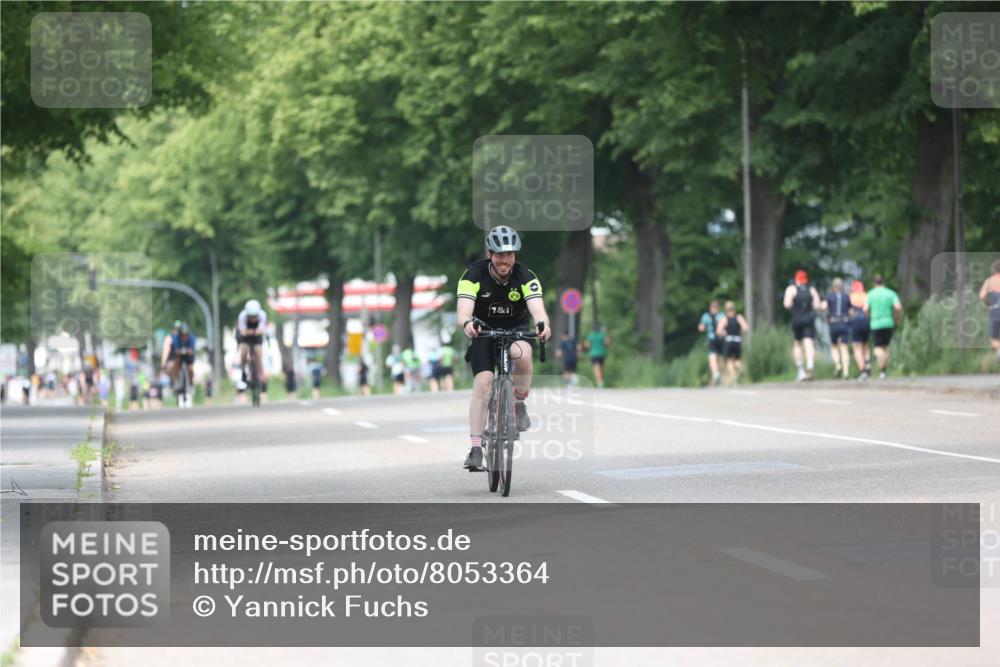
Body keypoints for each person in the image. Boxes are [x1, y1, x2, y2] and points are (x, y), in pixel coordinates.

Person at [457, 225, 551, 471]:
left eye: (509, 254)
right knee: (483, 383)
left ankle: (519, 402)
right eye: (499, 254)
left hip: (516, 329)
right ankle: (476, 448)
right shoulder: (473, 274)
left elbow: (538, 309)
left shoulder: (525, 276)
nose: (504, 260)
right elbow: (464, 310)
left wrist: (543, 325)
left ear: (515, 256)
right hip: (483, 330)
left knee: (522, 353)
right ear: (490, 254)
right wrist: (467, 323)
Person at [783, 270, 822, 382]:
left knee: (797, 344)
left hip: (797, 317)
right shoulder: (812, 289)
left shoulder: (792, 289)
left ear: (796, 279)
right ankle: (810, 364)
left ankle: (801, 370)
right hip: (809, 317)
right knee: (809, 343)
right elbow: (817, 305)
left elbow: (787, 304)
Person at [864, 274, 903, 380]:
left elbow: (865, 309)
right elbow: (898, 307)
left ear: (874, 283)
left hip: (876, 323)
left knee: (877, 348)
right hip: (888, 322)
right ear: (883, 282)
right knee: (886, 346)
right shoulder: (890, 293)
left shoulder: (871, 294)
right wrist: (897, 318)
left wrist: (869, 317)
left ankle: (882, 368)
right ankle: (883, 371)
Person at [237, 299, 269, 403]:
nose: (252, 319)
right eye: (250, 317)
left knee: (259, 353)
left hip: (256, 336)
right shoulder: (242, 316)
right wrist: (247, 332)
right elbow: (242, 330)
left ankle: (260, 374)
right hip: (245, 336)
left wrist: (256, 331)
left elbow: (261, 329)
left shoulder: (262, 315)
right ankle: (243, 371)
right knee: (243, 351)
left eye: (254, 316)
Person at [823, 278, 853, 379]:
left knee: (834, 346)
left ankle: (838, 364)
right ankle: (846, 371)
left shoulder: (829, 296)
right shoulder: (846, 297)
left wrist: (827, 315)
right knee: (844, 348)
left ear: (833, 287)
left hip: (834, 323)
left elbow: (823, 307)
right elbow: (851, 312)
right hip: (844, 323)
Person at [715, 301, 749, 385]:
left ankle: (734, 379)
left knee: (730, 360)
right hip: (737, 340)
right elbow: (746, 328)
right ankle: (740, 367)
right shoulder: (738, 317)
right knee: (737, 359)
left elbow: (718, 330)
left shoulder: (725, 318)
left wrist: (724, 333)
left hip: (729, 340)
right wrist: (740, 332)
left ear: (726, 309)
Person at [164, 322, 196, 405]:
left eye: (185, 335)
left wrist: (189, 351)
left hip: (188, 356)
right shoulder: (176, 338)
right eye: (182, 335)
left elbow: (192, 349)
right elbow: (175, 349)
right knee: (174, 366)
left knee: (190, 368)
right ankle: (175, 382)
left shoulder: (191, 338)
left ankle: (191, 383)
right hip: (179, 356)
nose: (184, 337)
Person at [849, 280, 872, 380]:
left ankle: (863, 371)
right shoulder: (866, 295)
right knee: (866, 344)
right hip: (866, 322)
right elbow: (868, 309)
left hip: (855, 322)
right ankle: (868, 363)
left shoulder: (851, 297)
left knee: (857, 348)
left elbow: (849, 312)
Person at [979, 259, 1000, 364]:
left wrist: (988, 302)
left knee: (993, 339)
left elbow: (982, 296)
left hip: (995, 310)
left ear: (994, 269)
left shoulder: (989, 281)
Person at [698, 300, 724, 386]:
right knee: (720, 357)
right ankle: (718, 375)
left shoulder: (706, 316)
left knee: (712, 357)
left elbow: (701, 327)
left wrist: (702, 327)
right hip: (720, 338)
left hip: (712, 338)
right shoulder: (721, 316)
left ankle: (716, 374)